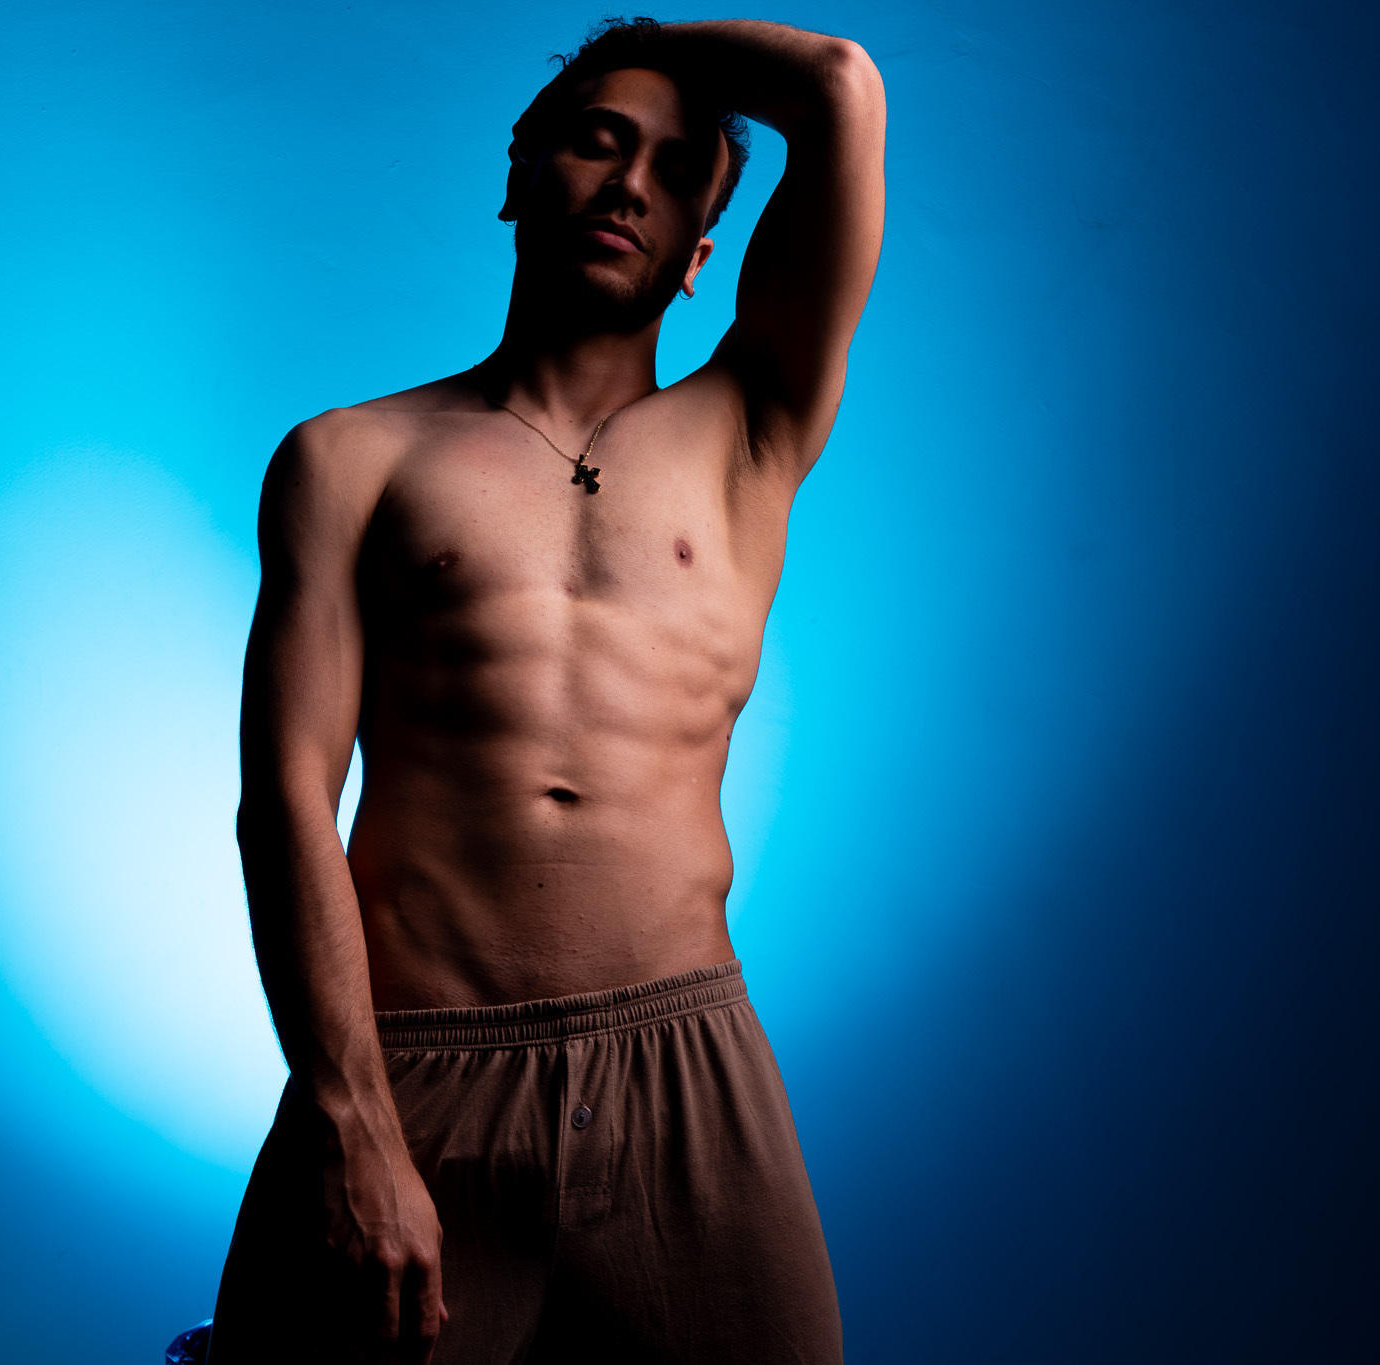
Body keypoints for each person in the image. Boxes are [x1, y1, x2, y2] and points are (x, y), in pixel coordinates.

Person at [207, 15, 886, 1363]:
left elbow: (838, 85)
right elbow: (284, 801)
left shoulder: (752, 430)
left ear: (702, 252)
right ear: (520, 171)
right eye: (596, 141)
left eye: (674, 169)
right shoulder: (350, 461)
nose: (629, 182)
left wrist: (645, 34)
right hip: (411, 1077)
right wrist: (350, 1121)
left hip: (687, 1078)